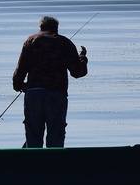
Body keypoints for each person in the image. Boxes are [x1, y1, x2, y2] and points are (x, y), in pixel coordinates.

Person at [12, 15, 88, 148]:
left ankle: (32, 164)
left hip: (34, 94)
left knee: (33, 134)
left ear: (41, 27)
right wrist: (83, 59)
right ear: (56, 28)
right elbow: (77, 72)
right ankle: (54, 164)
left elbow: (20, 69)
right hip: (56, 94)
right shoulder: (65, 43)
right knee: (56, 134)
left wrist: (19, 85)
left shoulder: (31, 41)